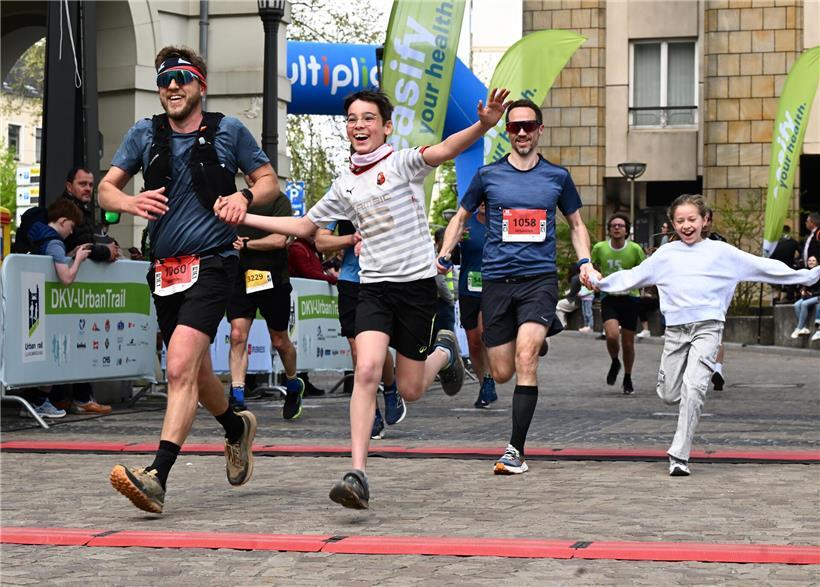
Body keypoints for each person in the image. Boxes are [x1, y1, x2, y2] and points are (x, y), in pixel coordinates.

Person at [220, 87, 510, 508]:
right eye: (352, 119)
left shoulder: (403, 163)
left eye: (368, 118)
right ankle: (357, 473)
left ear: (386, 126)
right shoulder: (344, 184)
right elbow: (303, 226)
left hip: (415, 289)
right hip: (373, 288)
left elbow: (446, 149)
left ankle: (445, 351)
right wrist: (243, 216)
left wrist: (484, 124)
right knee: (368, 368)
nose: (359, 125)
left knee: (410, 389)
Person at [99, 45, 277, 514]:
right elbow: (105, 188)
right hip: (165, 269)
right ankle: (236, 428)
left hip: (215, 261)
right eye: (164, 81)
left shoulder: (228, 130)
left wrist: (244, 198)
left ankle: (157, 475)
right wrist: (128, 203)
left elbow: (268, 181)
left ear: (200, 84)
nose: (172, 86)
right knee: (194, 370)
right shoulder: (144, 134)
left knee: (178, 365)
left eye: (182, 78)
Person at [591, 194, 820, 477]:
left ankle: (679, 455)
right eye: (680, 220)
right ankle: (673, 395)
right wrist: (599, 281)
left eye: (692, 219)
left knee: (695, 388)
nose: (687, 225)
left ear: (705, 220)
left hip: (708, 328)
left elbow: (765, 267)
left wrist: (808, 277)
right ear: (672, 223)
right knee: (669, 394)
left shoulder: (722, 253)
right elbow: (632, 277)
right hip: (676, 332)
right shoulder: (665, 255)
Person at [436, 98, 599, 475]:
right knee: (503, 371)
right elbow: (460, 218)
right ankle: (540, 331)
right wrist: (444, 254)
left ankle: (515, 451)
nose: (522, 132)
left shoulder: (557, 177)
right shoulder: (488, 176)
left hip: (538, 280)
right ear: (507, 132)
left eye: (529, 126)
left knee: (526, 360)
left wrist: (585, 261)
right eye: (515, 127)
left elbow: (576, 224)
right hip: (496, 282)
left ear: (540, 130)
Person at [315, 220, 406, 439]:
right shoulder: (340, 191)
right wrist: (350, 239)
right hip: (351, 281)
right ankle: (371, 411)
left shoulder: (386, 188)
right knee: (358, 350)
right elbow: (321, 241)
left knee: (377, 347)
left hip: (382, 279)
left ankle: (391, 388)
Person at [227, 187, 304, 419]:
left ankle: (293, 385)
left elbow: (280, 239)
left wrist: (248, 244)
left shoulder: (278, 200)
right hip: (241, 277)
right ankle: (237, 396)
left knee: (279, 340)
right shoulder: (235, 200)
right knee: (237, 335)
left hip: (272, 277)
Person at [17, 200, 92, 420]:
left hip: (32, 307)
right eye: (71, 227)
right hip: (47, 309)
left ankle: (33, 401)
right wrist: (77, 259)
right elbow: (66, 278)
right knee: (51, 356)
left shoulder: (39, 236)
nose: (71, 232)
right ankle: (40, 402)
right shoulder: (54, 242)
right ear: (62, 221)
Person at [590, 213, 646, 394]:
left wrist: (640, 286)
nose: (616, 228)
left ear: (626, 230)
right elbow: (592, 267)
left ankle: (628, 377)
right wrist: (595, 281)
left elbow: (643, 271)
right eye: (613, 225)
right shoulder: (600, 248)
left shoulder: (635, 249)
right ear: (608, 229)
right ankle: (615, 361)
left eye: (620, 226)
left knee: (628, 343)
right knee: (612, 335)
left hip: (630, 298)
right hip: (609, 298)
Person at [453, 205, 497, 409]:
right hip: (468, 288)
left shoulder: (500, 223)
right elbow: (449, 255)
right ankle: (484, 385)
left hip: (493, 287)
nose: (482, 204)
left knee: (483, 333)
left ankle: (489, 378)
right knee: (473, 342)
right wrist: (455, 242)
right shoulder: (465, 224)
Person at [60, 167, 121, 263]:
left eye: (91, 185)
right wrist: (107, 252)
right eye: (82, 184)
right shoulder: (66, 210)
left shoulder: (80, 209)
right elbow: (82, 247)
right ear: (69, 187)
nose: (88, 189)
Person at [769, 225, 801, 303]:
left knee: (776, 286)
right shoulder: (793, 242)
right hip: (789, 267)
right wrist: (796, 260)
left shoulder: (774, 243)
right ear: (789, 231)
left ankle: (776, 298)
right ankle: (786, 297)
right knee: (787, 284)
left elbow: (769, 255)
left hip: (775, 267)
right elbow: (802, 252)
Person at [790, 256, 820, 338]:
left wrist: (812, 293)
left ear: (817, 262)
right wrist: (802, 290)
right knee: (796, 304)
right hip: (808, 296)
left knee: (804, 304)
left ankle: (798, 328)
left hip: (817, 296)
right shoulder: (806, 272)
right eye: (809, 260)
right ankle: (804, 328)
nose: (811, 262)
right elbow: (802, 285)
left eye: (813, 260)